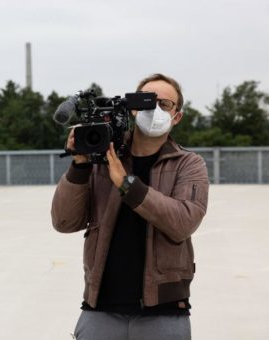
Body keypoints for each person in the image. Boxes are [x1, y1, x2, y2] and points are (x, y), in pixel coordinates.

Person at [51, 73, 209, 340]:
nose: (155, 110)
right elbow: (64, 222)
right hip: (100, 307)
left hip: (164, 310)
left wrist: (126, 184)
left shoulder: (189, 164)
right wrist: (79, 166)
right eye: (147, 102)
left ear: (177, 116)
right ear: (133, 108)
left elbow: (183, 223)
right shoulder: (102, 158)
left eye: (165, 104)